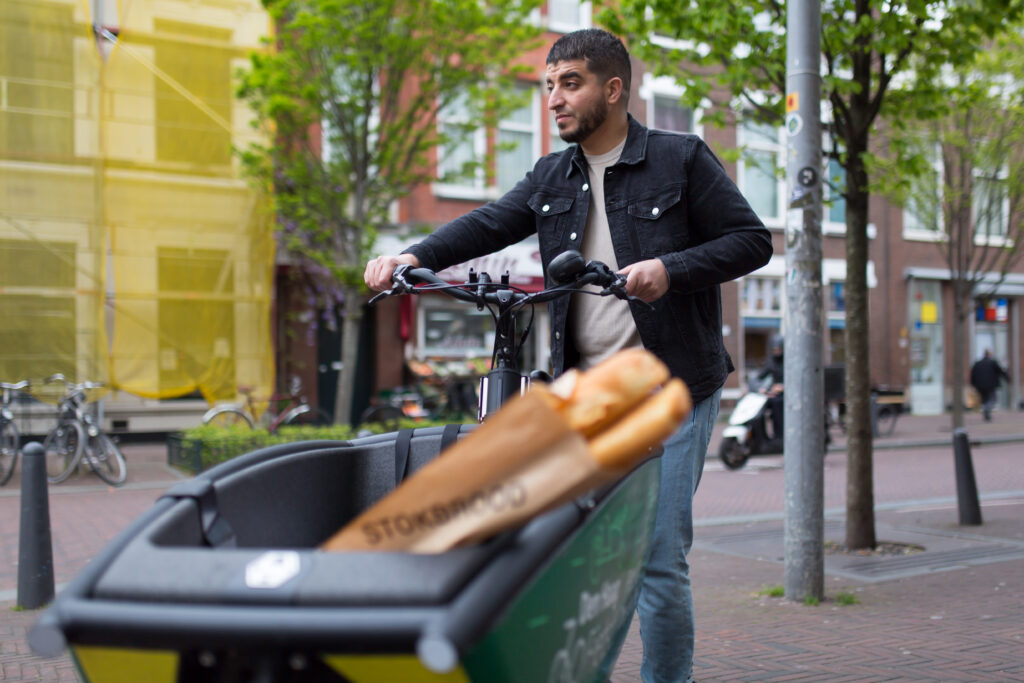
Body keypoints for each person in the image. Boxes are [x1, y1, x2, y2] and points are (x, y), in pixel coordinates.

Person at [365, 28, 772, 682]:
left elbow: (751, 241)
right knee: (580, 555)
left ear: (614, 89)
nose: (553, 98)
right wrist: (413, 256)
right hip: (587, 395)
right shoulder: (553, 174)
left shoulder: (681, 158)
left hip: (670, 390)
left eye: (570, 83)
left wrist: (670, 268)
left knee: (658, 559)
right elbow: (490, 221)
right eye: (549, 85)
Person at [756, 334, 785, 441]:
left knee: (777, 403)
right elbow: (760, 376)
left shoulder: (789, 361)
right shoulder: (771, 362)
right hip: (774, 393)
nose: (776, 352)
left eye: (779, 350)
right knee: (764, 405)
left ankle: (780, 436)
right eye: (775, 350)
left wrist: (783, 386)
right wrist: (758, 387)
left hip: (788, 394)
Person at [970, 349, 1010, 421]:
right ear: (989, 354)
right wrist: (1007, 379)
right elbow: (1000, 371)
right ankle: (987, 410)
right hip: (991, 385)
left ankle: (986, 410)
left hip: (980, 386)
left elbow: (973, 374)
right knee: (992, 399)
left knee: (985, 399)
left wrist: (973, 384)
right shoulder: (993, 363)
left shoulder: (978, 363)